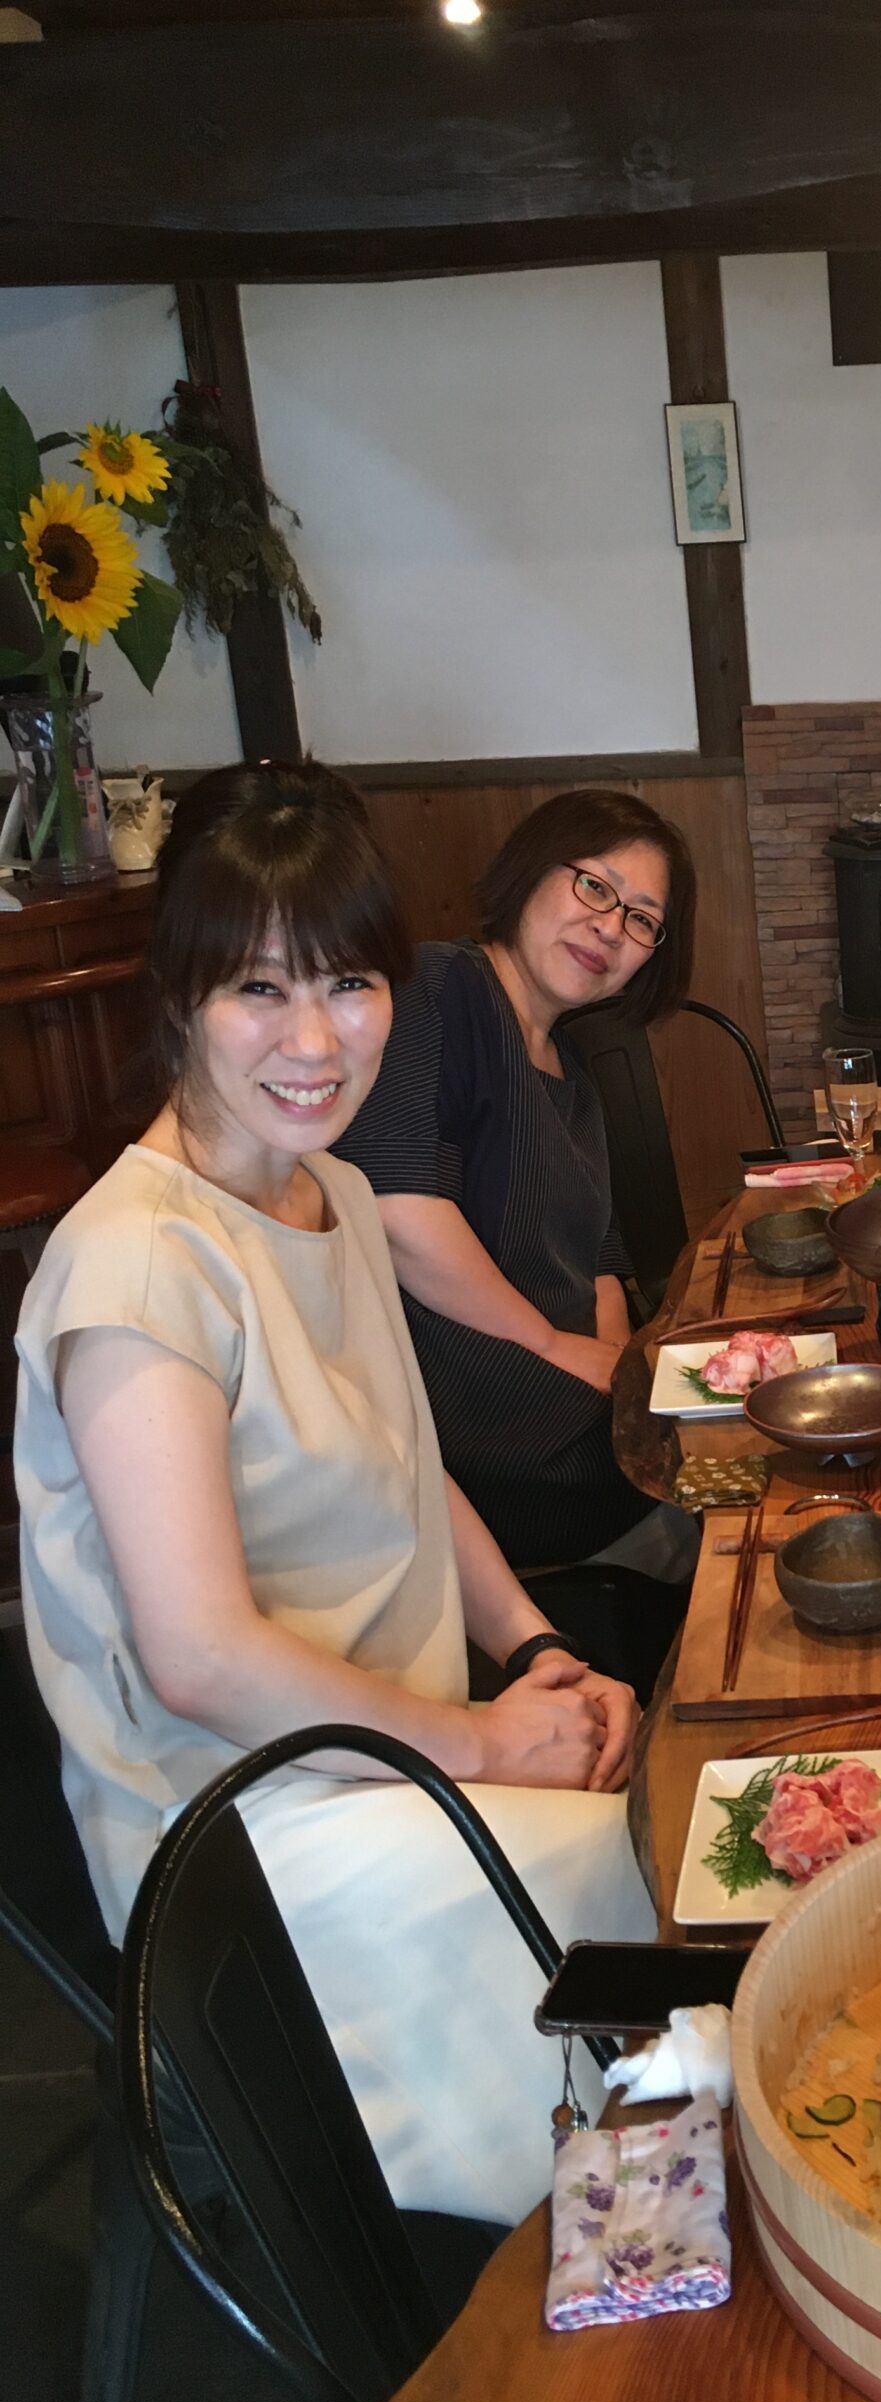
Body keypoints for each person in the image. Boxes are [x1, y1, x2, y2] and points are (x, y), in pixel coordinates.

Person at [15, 762, 651, 2227]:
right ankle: (586, 2269)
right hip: (244, 1840)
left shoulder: (335, 1193)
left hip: (395, 1751)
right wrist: (479, 1742)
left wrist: (538, 1649)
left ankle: (644, 2219)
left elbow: (408, 1466)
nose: (314, 1041)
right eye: (258, 990)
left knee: (662, 1818)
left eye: (349, 986)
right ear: (178, 997)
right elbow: (200, 1657)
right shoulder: (135, 1268)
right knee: (622, 1883)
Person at [331, 790, 697, 1586]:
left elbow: (600, 1259)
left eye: (642, 919)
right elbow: (397, 1210)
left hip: (574, 1408)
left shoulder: (575, 1074)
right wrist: (556, 1348)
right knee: (736, 1462)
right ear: (530, 871)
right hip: (485, 1427)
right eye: (595, 886)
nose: (611, 928)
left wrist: (617, 1368)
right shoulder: (438, 988)